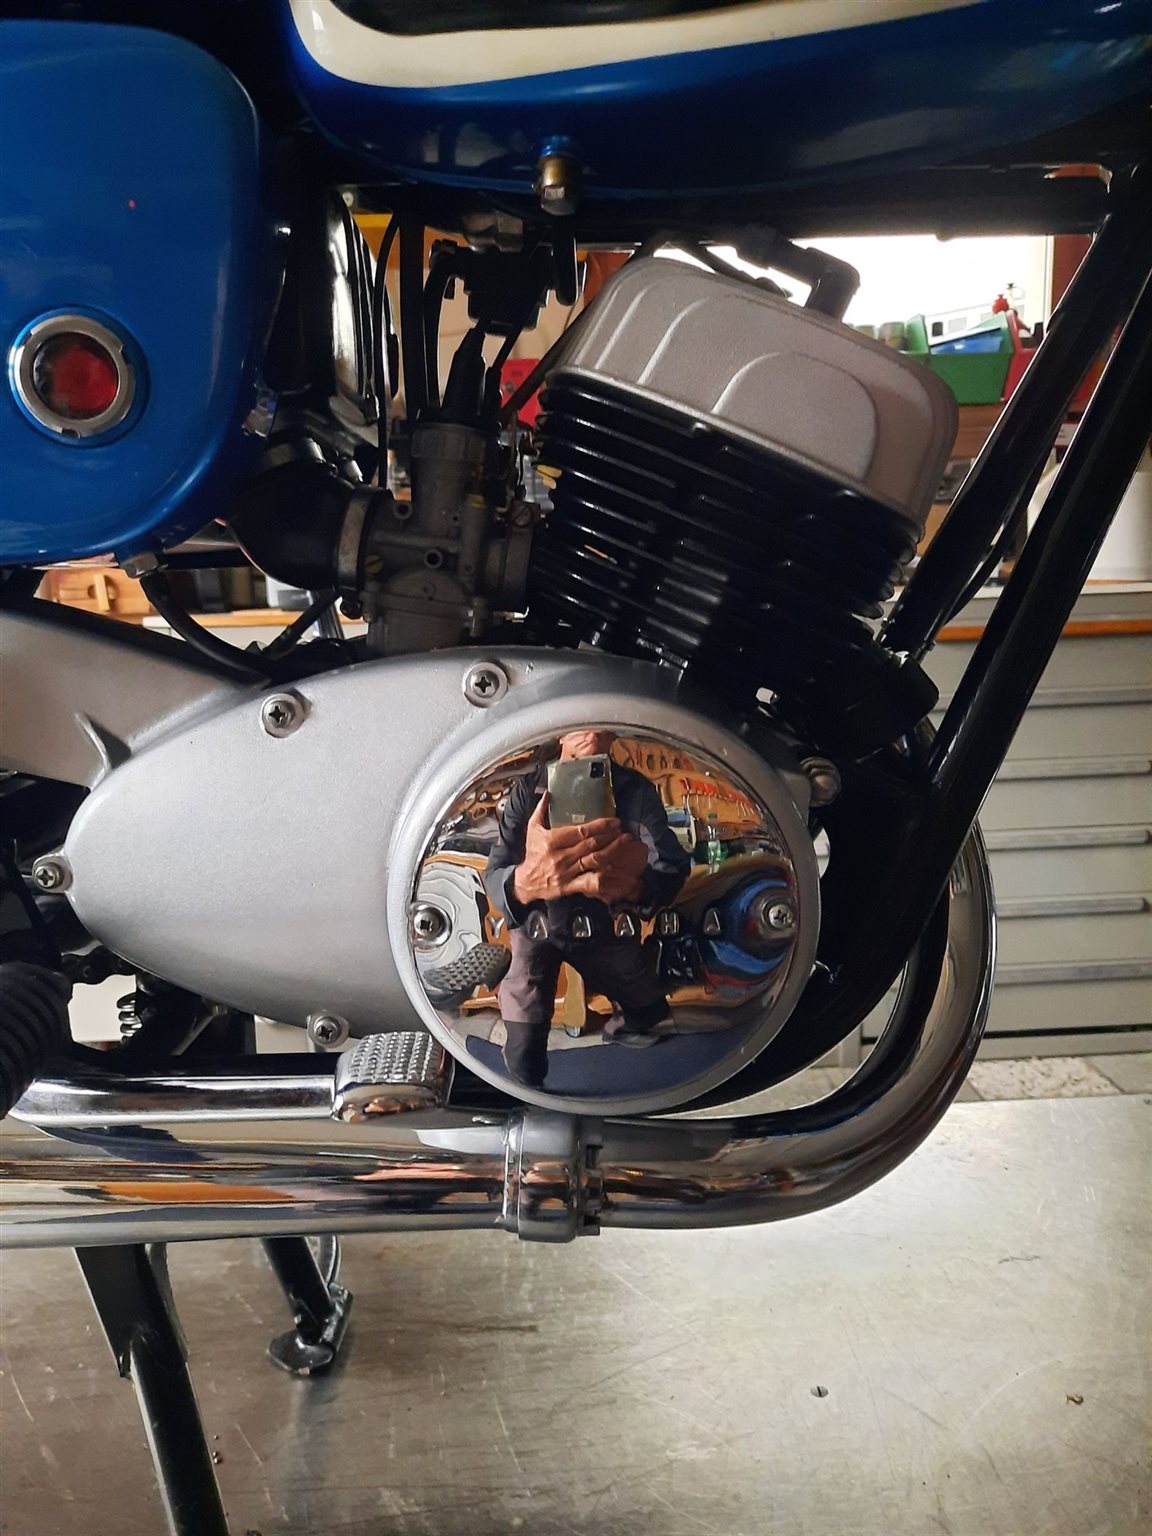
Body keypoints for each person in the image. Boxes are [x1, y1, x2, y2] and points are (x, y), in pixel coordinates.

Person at [483, 730, 691, 1088]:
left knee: (649, 1009)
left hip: (603, 927)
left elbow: (671, 866)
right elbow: (494, 871)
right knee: (522, 1051)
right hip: (536, 928)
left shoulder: (635, 791)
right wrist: (524, 883)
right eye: (579, 722)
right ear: (560, 732)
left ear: (614, 731)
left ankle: (620, 1030)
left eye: (600, 722)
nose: (590, 731)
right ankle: (530, 1098)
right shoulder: (530, 788)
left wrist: (636, 886)